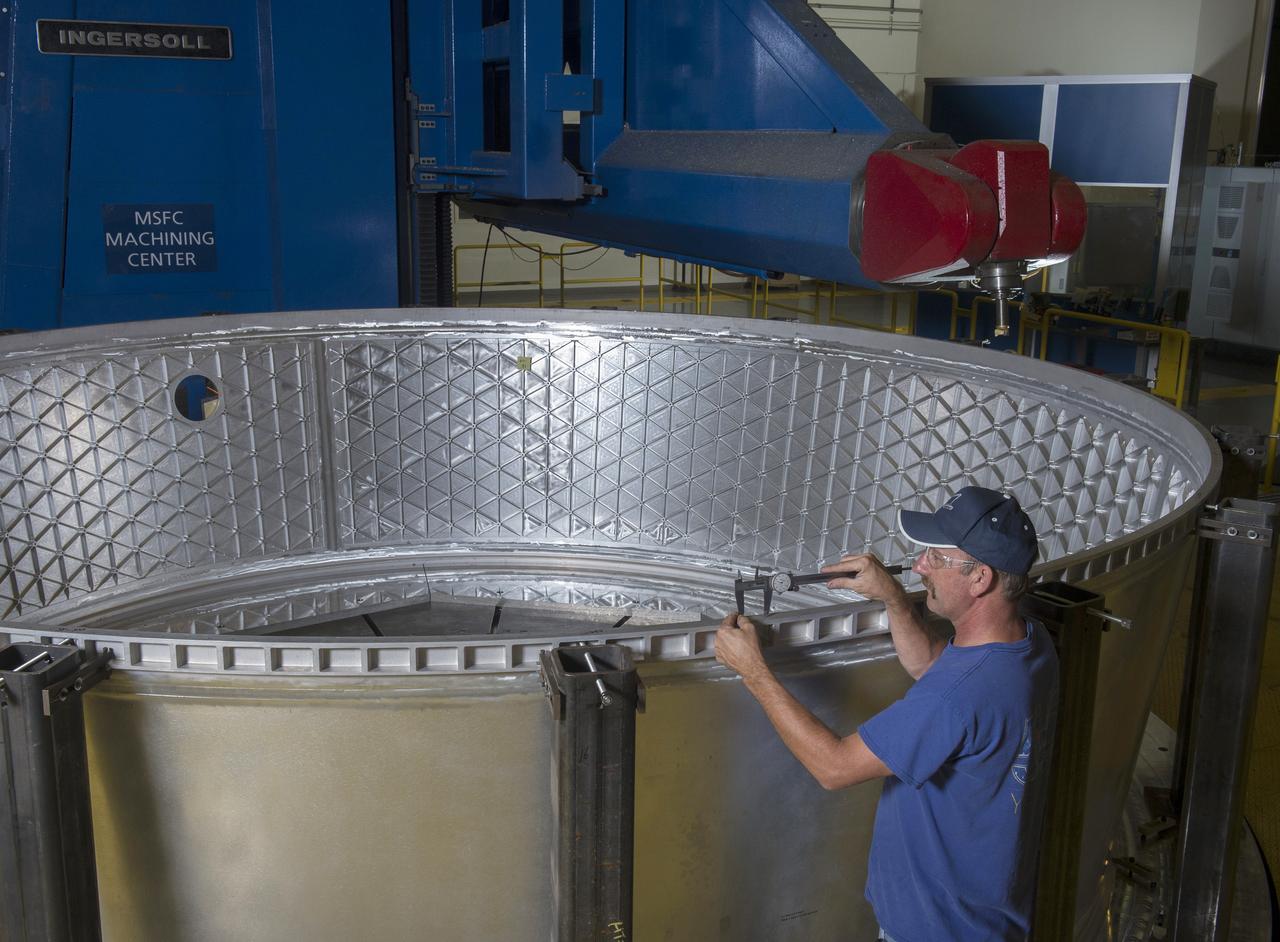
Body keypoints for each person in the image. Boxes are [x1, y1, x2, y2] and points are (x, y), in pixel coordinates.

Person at [714, 486, 1059, 942]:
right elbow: (930, 667)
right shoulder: (1027, 645)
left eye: (935, 558)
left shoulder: (954, 698)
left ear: (981, 579)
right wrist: (894, 598)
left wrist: (754, 672)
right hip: (987, 919)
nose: (919, 567)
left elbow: (834, 767)